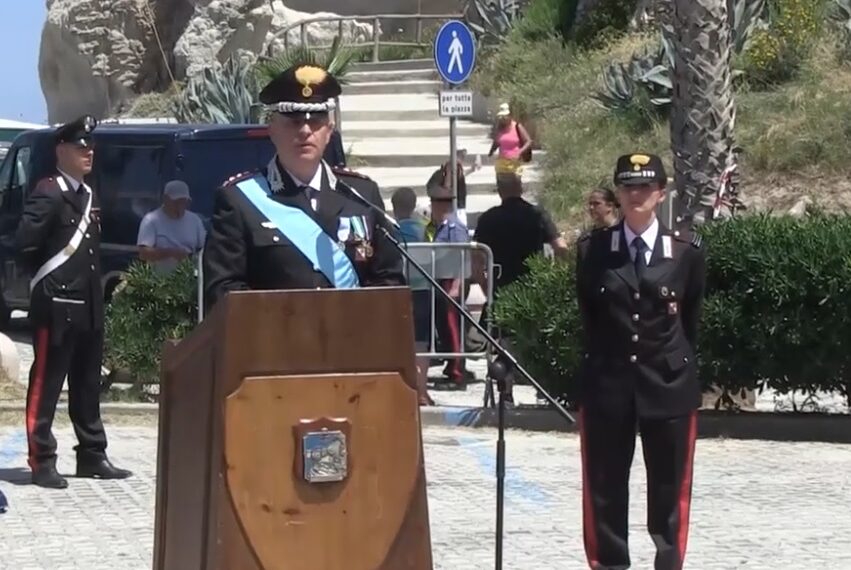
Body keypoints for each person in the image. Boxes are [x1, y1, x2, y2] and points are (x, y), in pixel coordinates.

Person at [575, 153, 706, 570]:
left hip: (667, 385)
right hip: (608, 386)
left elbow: (690, 321)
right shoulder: (593, 251)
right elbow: (590, 318)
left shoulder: (685, 251)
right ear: (618, 192)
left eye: (646, 188)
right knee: (604, 488)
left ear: (661, 194)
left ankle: (668, 562)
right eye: (629, 187)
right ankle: (610, 564)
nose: (636, 195)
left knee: (670, 490)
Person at [203, 63, 404, 310]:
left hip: (349, 341)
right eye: (294, 121)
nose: (306, 130)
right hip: (274, 344)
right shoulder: (240, 200)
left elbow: (389, 279)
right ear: (272, 129)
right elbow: (223, 290)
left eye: (316, 121)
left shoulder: (361, 195)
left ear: (329, 131)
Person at [15, 115, 132, 489]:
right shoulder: (49, 192)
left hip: (89, 303)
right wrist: (50, 285)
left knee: (86, 383)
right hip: (57, 304)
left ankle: (92, 454)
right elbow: (25, 245)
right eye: (81, 148)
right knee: (47, 383)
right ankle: (42, 458)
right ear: (61, 150)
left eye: (91, 148)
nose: (89, 153)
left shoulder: (88, 193)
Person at [473, 172, 569, 403]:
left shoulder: (489, 218)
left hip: (502, 288)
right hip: (533, 287)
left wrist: (486, 286)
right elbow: (561, 248)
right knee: (538, 341)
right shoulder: (536, 214)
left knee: (504, 343)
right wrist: (556, 278)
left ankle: (505, 391)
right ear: (521, 187)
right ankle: (544, 390)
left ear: (499, 190)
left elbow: (476, 260)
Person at [424, 173, 472, 387]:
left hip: (451, 283)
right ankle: (451, 366)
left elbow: (462, 256)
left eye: (434, 203)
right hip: (439, 281)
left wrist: (457, 285)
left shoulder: (455, 228)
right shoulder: (441, 226)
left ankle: (457, 371)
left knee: (453, 329)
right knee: (444, 326)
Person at [391, 187, 433, 406]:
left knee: (398, 342)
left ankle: (404, 388)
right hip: (423, 290)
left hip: (398, 290)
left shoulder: (391, 230)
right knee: (421, 343)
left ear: (393, 207)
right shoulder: (424, 230)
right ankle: (422, 391)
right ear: (414, 205)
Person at [136, 180, 207, 273]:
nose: (180, 206)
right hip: (161, 280)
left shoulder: (195, 220)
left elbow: (203, 247)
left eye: (183, 202)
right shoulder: (151, 220)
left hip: (188, 277)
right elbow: (143, 253)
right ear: (165, 199)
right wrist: (171, 253)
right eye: (176, 202)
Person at [488, 103, 533, 179]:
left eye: (505, 116)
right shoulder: (499, 128)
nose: (503, 118)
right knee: (502, 186)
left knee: (515, 185)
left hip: (514, 162)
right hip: (502, 162)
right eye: (501, 116)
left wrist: (520, 152)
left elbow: (528, 141)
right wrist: (491, 152)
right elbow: (496, 142)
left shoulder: (517, 126)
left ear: (510, 116)